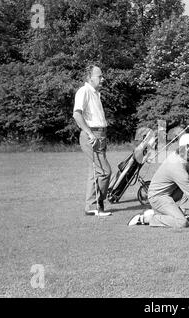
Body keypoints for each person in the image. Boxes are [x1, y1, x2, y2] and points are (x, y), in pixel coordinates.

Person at [128, 133, 189, 228]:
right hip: (158, 198)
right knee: (181, 223)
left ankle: (181, 213)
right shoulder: (177, 166)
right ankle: (145, 219)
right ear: (187, 148)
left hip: (168, 194)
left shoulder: (181, 157)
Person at [73, 65, 112, 217]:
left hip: (100, 134)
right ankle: (97, 203)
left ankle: (91, 206)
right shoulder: (84, 91)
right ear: (89, 78)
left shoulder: (96, 93)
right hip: (92, 135)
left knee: (94, 171)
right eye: (99, 76)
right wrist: (90, 134)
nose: (103, 79)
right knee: (104, 171)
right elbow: (77, 114)